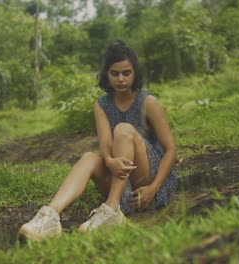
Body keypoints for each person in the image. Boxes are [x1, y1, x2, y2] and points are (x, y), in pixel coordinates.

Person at [19, 40, 178, 241]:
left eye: (126, 73)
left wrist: (153, 188)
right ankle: (49, 217)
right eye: (115, 73)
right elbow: (105, 145)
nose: (121, 79)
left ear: (135, 73)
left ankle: (111, 209)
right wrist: (110, 161)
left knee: (123, 130)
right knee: (88, 157)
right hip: (121, 182)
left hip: (146, 183)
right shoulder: (102, 104)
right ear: (107, 74)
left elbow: (172, 150)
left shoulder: (147, 101)